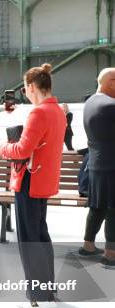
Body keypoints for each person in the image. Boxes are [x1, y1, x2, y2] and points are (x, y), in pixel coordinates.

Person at [0, 63, 66, 308]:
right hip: (43, 180)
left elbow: (22, 150)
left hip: (29, 180)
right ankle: (48, 289)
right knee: (40, 235)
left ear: (31, 87)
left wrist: (4, 148)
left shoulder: (38, 113)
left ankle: (37, 295)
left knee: (29, 238)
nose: (24, 92)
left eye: (25, 88)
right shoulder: (57, 110)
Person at [78, 68, 115, 267]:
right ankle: (111, 255)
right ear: (111, 82)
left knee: (97, 207)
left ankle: (88, 245)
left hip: (95, 165)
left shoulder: (91, 101)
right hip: (111, 165)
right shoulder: (111, 105)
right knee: (113, 210)